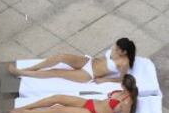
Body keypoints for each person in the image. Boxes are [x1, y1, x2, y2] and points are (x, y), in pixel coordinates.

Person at [9, 74, 138, 113]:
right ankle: (27, 106)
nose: (120, 84)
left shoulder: (126, 103)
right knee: (58, 97)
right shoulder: (122, 91)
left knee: (58, 108)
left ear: (126, 87)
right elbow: (118, 81)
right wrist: (104, 80)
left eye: (122, 84)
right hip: (90, 103)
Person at [8, 38, 136, 83]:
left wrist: (103, 80)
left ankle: (22, 73)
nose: (115, 49)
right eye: (116, 47)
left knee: (56, 72)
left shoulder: (124, 63)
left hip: (89, 74)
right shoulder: (116, 48)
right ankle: (28, 68)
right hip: (89, 62)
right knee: (61, 57)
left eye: (118, 49)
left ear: (124, 52)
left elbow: (120, 79)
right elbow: (105, 58)